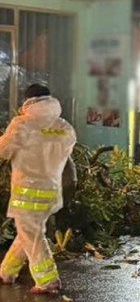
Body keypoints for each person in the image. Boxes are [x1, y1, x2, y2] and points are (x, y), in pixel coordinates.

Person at [0, 84, 76, 294]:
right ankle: (7, 271)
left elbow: (3, 151)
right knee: (28, 232)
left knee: (31, 234)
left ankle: (47, 280)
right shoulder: (65, 127)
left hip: (26, 191)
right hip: (51, 192)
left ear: (28, 102)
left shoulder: (22, 125)